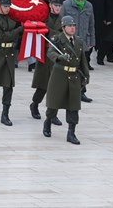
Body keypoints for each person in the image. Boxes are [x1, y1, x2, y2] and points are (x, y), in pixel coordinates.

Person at [43, 15, 90, 145]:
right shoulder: (57, 39)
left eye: (73, 26)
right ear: (63, 27)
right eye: (69, 26)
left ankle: (71, 132)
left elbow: (82, 61)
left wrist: (86, 75)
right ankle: (48, 121)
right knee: (54, 103)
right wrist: (59, 57)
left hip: (74, 77)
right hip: (60, 76)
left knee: (73, 106)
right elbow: (50, 53)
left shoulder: (78, 41)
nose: (72, 28)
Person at [30, 0, 64, 124]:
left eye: (59, 5)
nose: (57, 8)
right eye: (55, 5)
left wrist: (49, 31)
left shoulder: (63, 19)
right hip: (44, 54)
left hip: (55, 56)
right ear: (50, 4)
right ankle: (35, 104)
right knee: (42, 85)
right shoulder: (43, 17)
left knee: (55, 87)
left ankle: (52, 113)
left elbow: (61, 36)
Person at [61, 0, 94, 103]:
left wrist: (92, 41)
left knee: (82, 68)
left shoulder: (88, 6)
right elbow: (61, 24)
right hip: (70, 42)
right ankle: (67, 91)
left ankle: (82, 91)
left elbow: (91, 24)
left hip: (83, 41)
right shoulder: (66, 5)